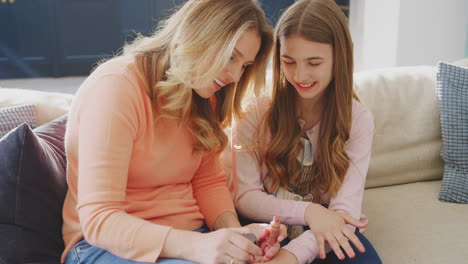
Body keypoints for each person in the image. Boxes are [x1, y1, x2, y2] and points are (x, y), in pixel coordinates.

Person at [60, 1, 285, 263]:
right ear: (198, 34)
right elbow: (100, 220)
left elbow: (207, 182)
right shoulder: (116, 87)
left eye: (244, 65)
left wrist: (236, 237)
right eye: (231, 56)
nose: (235, 75)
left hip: (190, 239)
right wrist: (199, 246)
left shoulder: (204, 92)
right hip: (105, 247)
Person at [227, 0, 382, 263]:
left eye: (314, 62)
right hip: (267, 223)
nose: (300, 75)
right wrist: (309, 211)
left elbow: (345, 213)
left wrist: (292, 255)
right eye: (289, 61)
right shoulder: (255, 109)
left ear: (339, 59)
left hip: (325, 226)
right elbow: (245, 196)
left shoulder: (357, 119)